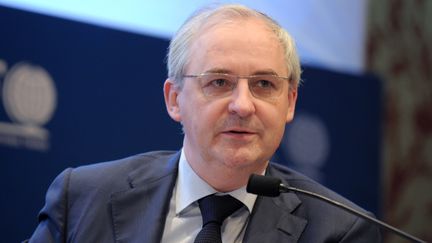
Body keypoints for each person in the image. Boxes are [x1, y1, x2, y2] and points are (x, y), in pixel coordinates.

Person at [26, 4, 381, 243]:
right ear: (174, 99)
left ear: (289, 102)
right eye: (219, 82)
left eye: (264, 85)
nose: (243, 105)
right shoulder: (85, 198)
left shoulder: (340, 231)